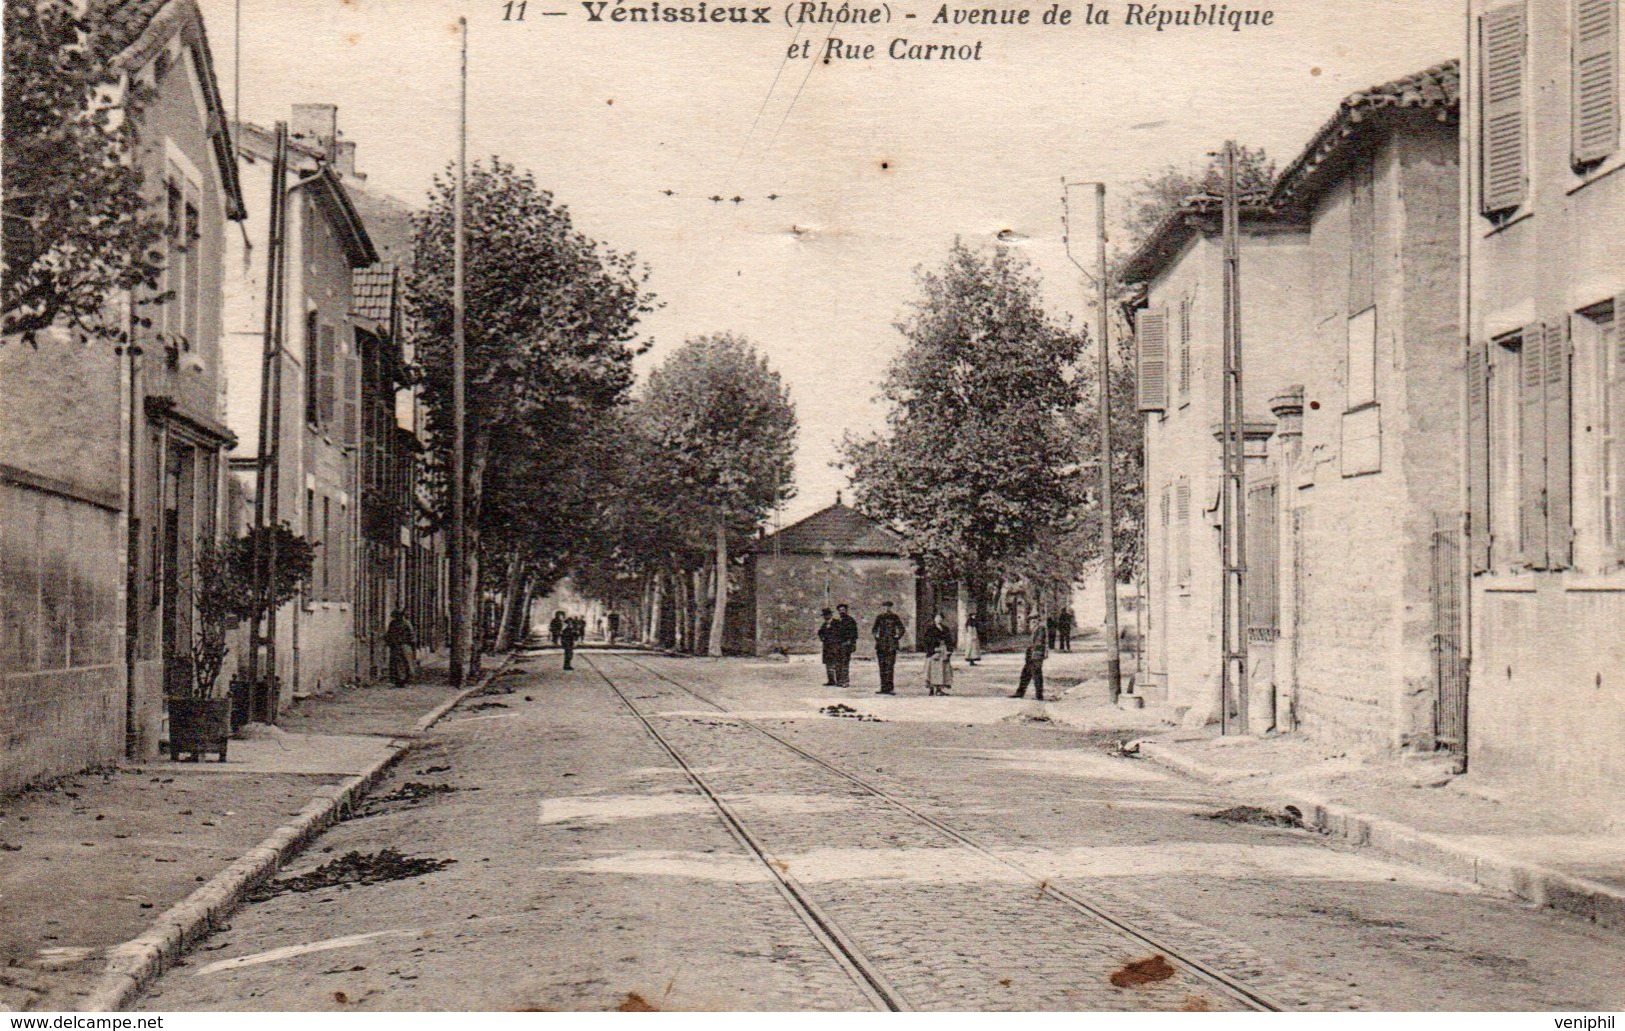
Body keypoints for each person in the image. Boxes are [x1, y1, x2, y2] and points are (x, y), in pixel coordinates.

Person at [1011, 614, 1049, 700]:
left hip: (1036, 654)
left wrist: (1032, 650)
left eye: (1033, 621)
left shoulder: (1040, 628)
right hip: (1032, 654)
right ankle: (1020, 692)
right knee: (1026, 673)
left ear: (1037, 620)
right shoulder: (1036, 628)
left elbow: (1039, 642)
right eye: (1031, 621)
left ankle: (1039, 695)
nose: (1032, 623)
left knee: (1036, 674)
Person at [872, 601, 906, 695]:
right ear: (882, 608)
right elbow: (874, 629)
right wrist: (877, 636)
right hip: (881, 645)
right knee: (882, 666)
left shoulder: (895, 617)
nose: (886, 609)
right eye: (885, 607)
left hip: (891, 645)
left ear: (891, 608)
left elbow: (902, 629)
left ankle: (890, 688)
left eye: (888, 607)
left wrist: (897, 636)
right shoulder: (879, 617)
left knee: (890, 666)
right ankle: (883, 688)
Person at [922, 611, 955, 696]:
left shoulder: (945, 628)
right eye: (937, 618)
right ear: (934, 619)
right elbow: (926, 640)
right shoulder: (930, 628)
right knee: (932, 670)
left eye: (940, 618)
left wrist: (949, 650)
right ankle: (931, 688)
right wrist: (931, 650)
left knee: (942, 670)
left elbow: (949, 640)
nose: (939, 619)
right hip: (934, 651)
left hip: (943, 650)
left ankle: (939, 689)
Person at [384, 608, 417, 689]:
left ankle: (406, 681)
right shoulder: (393, 623)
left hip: (404, 645)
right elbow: (389, 633)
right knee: (395, 663)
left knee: (406, 663)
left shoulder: (406, 623)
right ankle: (397, 681)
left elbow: (411, 635)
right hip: (395, 646)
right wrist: (389, 641)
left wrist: (411, 645)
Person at [833, 604, 859, 688]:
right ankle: (839, 681)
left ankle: (845, 681)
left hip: (846, 645)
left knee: (844, 663)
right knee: (837, 663)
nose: (841, 611)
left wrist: (852, 643)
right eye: (840, 610)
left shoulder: (850, 620)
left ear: (846, 610)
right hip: (837, 645)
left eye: (843, 610)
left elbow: (854, 633)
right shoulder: (837, 621)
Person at [817, 608, 840, 686]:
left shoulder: (837, 623)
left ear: (831, 615)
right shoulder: (824, 625)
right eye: (824, 615)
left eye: (827, 615)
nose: (826, 617)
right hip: (827, 647)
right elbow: (820, 633)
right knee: (828, 664)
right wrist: (822, 638)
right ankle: (831, 680)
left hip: (835, 647)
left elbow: (840, 634)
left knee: (836, 664)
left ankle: (839, 680)